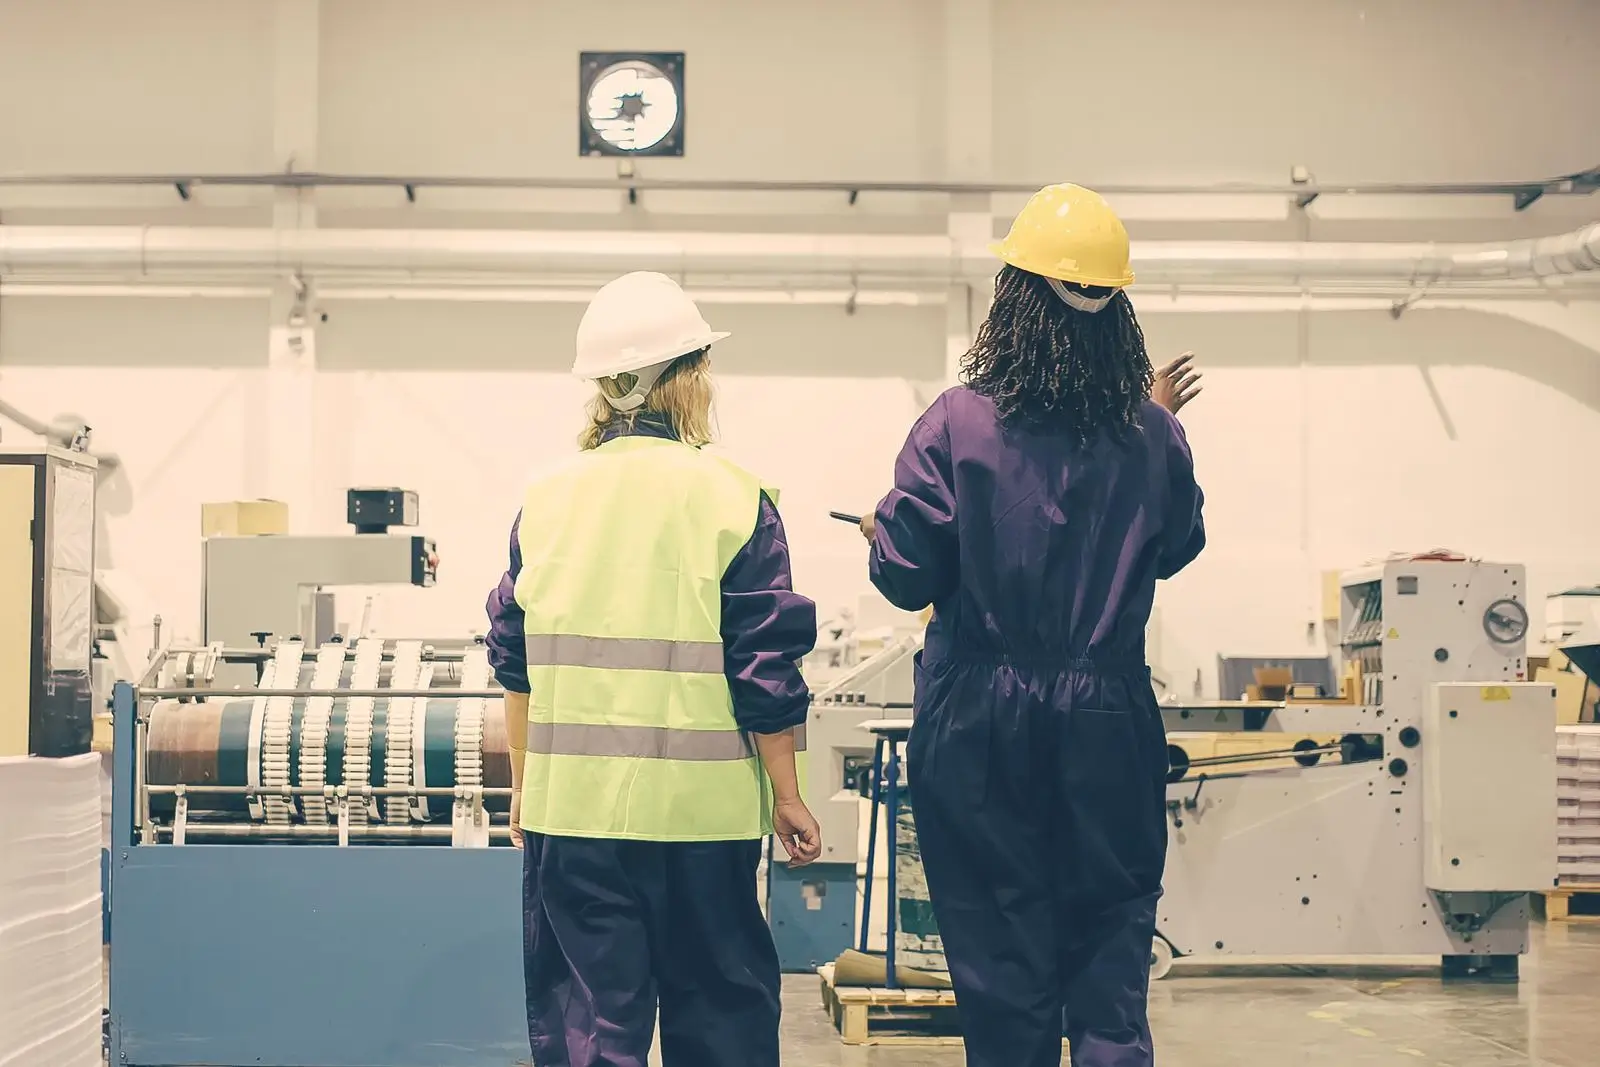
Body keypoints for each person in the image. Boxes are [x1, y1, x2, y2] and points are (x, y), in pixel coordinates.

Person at [861, 184, 1205, 1067]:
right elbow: (1176, 545)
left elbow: (906, 577)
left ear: (1012, 298)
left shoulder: (956, 423)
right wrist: (1151, 418)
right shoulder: (1153, 434)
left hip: (979, 721)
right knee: (1111, 943)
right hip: (1109, 717)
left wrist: (884, 529)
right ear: (1117, 307)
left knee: (999, 956)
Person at [485, 271, 823, 1067]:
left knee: (596, 1029)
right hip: (704, 825)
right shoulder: (736, 497)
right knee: (723, 1021)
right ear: (686, 378)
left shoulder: (546, 499)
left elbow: (514, 659)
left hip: (575, 821)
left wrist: (526, 791)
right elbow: (764, 665)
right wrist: (789, 795)